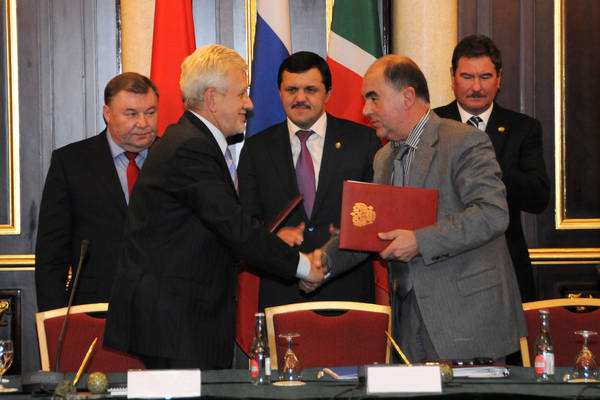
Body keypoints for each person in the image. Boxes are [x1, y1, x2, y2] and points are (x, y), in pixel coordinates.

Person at [103, 45, 323, 370]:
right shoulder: (191, 147)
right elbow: (234, 228)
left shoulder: (191, 140)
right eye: (241, 93)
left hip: (181, 322)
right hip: (176, 325)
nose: (249, 104)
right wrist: (303, 266)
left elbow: (220, 230)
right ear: (212, 99)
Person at [308, 55, 526, 363]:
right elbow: (371, 229)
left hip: (466, 319)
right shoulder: (383, 157)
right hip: (408, 322)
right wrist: (324, 260)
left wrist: (419, 241)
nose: (366, 110)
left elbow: (492, 214)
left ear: (407, 96)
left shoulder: (465, 141)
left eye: (373, 98)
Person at [237, 51, 381, 311]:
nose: (300, 98)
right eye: (291, 89)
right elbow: (245, 222)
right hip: (283, 291)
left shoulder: (363, 142)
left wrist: (329, 260)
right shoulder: (256, 149)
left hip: (347, 289)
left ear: (328, 94)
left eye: (310, 90)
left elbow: (374, 219)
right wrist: (271, 239)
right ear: (280, 92)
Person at [434, 34, 550, 302]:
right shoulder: (432, 125)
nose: (476, 87)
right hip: (445, 264)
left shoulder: (523, 128)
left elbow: (538, 197)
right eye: (467, 77)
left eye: (485, 77)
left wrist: (487, 165)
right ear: (452, 77)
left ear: (499, 78)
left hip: (504, 264)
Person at [35, 72, 159, 312]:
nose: (143, 123)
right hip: (96, 310)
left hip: (165, 311)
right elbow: (51, 255)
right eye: (131, 114)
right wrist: (56, 321)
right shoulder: (71, 163)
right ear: (107, 113)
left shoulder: (177, 160)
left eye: (150, 112)